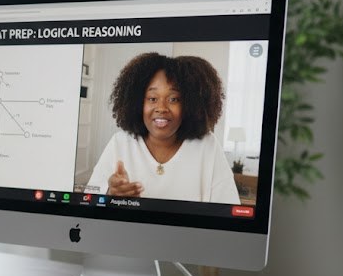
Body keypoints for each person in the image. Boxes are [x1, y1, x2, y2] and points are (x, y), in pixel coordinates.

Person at [86, 52, 240, 204]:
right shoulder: (120, 142)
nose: (161, 108)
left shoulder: (207, 145)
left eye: (173, 99)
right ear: (138, 102)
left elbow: (228, 208)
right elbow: (88, 201)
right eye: (152, 99)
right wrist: (110, 195)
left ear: (190, 104)